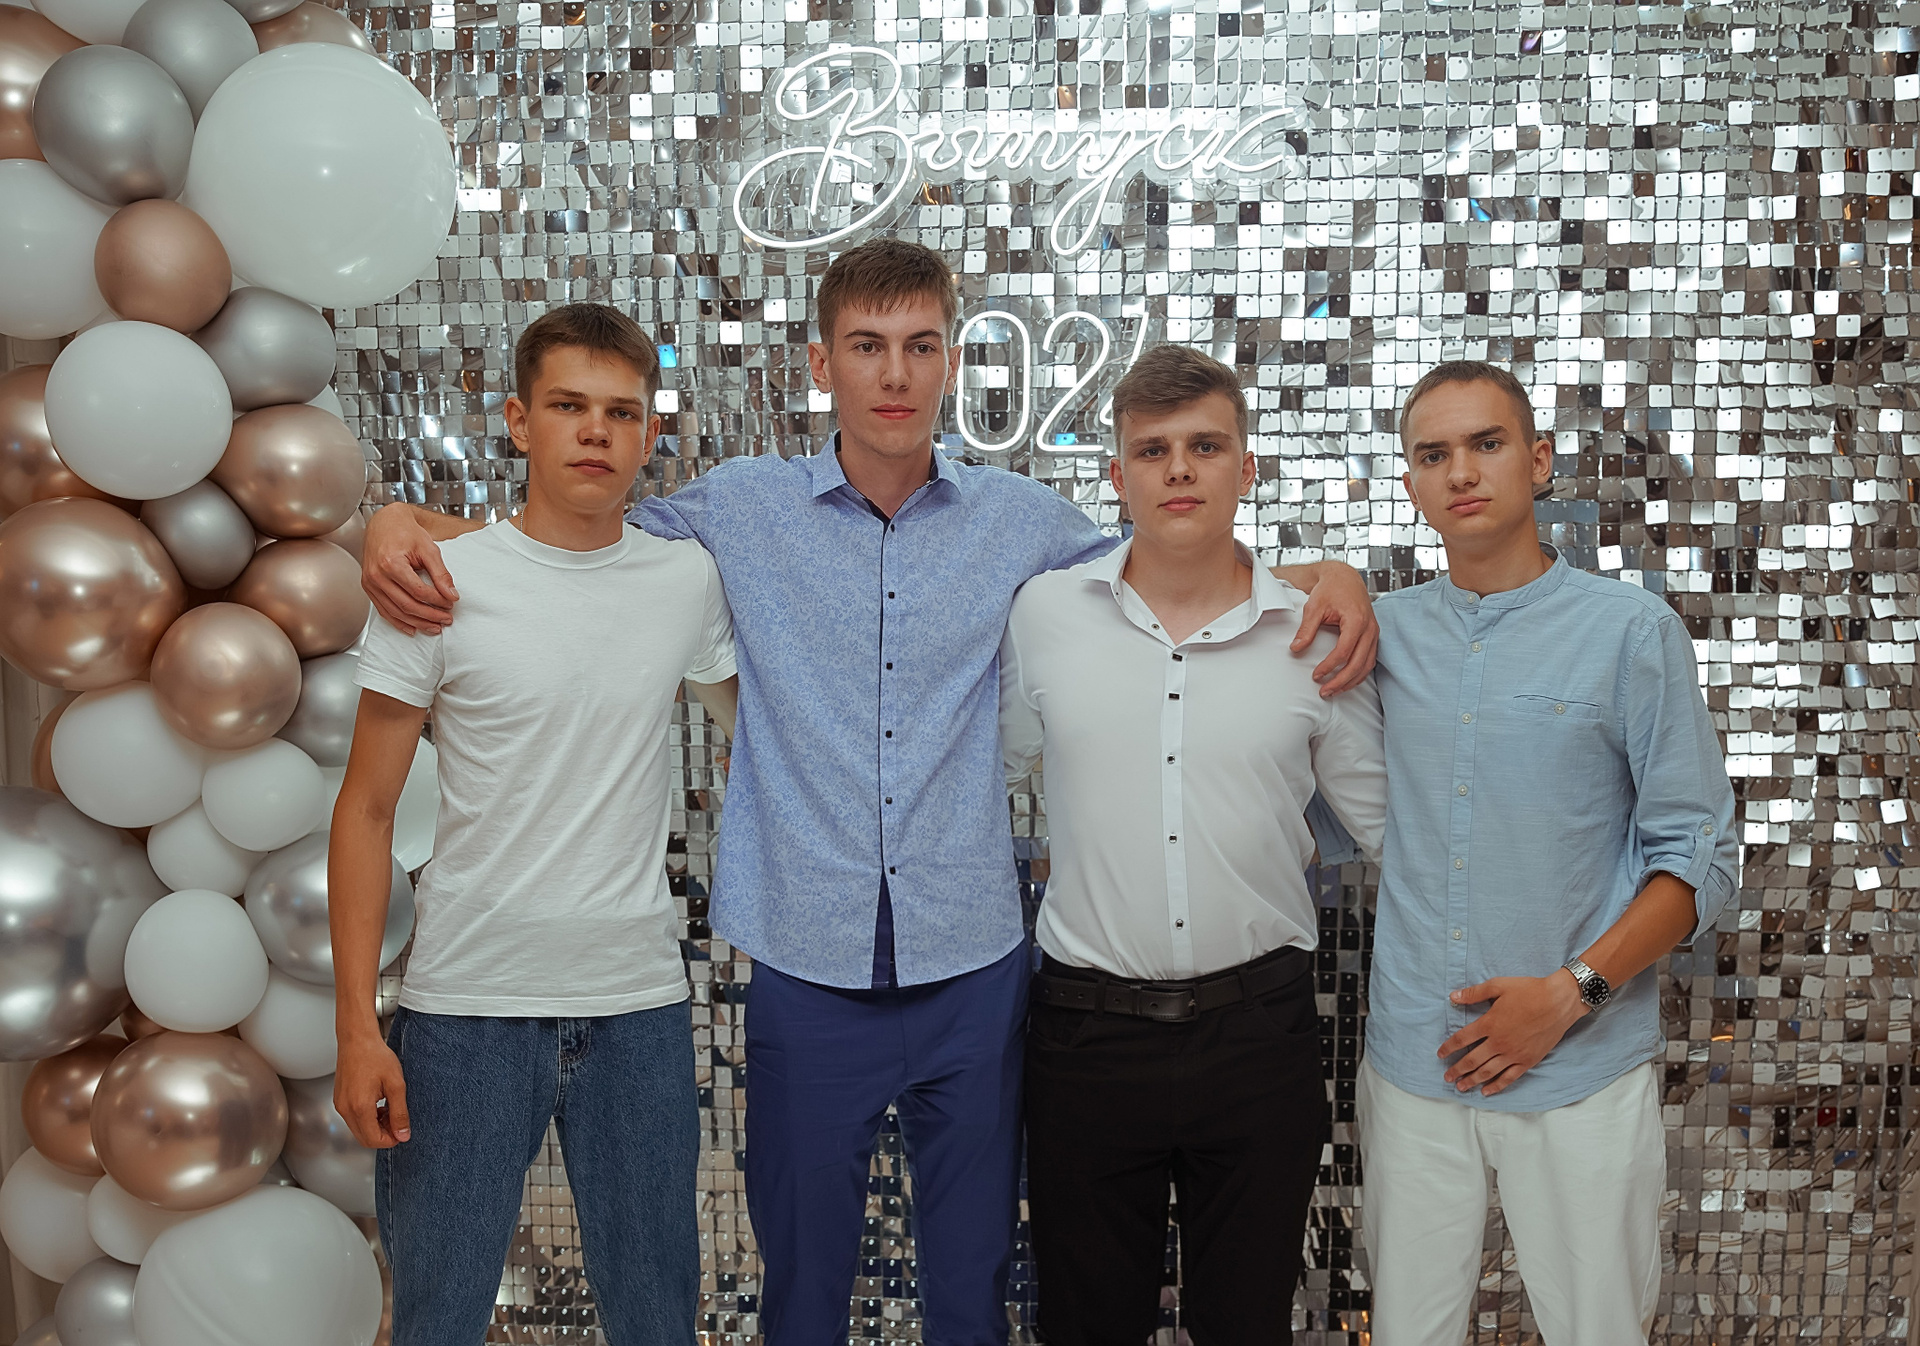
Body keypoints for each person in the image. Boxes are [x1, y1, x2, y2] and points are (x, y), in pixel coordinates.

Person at [355, 238, 1379, 1345]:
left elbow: (1176, 562)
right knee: (800, 1290)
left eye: (921, 346)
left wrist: (1329, 576)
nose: (895, 373)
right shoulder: (738, 510)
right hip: (806, 963)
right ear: (821, 363)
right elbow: (567, 532)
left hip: (973, 965)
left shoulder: (1025, 524)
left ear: (951, 363)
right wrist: (399, 523)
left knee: (974, 1288)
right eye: (867, 345)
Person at [330, 304, 739, 1346]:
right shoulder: (437, 584)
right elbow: (366, 808)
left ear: (649, 433)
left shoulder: (685, 581)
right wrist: (357, 1028)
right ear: (519, 421)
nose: (595, 430)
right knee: (437, 1319)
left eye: (621, 412)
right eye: (567, 406)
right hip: (465, 1010)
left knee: (658, 1319)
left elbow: (761, 730)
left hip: (636, 1007)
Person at [999, 345, 1386, 1345]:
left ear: (1247, 468)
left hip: (1259, 1034)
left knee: (1247, 1325)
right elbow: (987, 772)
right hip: (1086, 1036)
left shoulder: (1313, 634)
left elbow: (1392, 827)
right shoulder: (1044, 616)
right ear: (1117, 475)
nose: (1179, 468)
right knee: (1085, 1328)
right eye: (1153, 449)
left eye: (1206, 446)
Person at [1344, 361, 1737, 1344]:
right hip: (1414, 1068)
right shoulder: (1380, 637)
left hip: (1580, 1069)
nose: (1460, 471)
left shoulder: (1629, 632)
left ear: (1539, 460)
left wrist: (1569, 994)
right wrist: (1327, 577)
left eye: (1486, 443)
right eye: (1432, 454)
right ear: (1411, 481)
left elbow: (1700, 858)